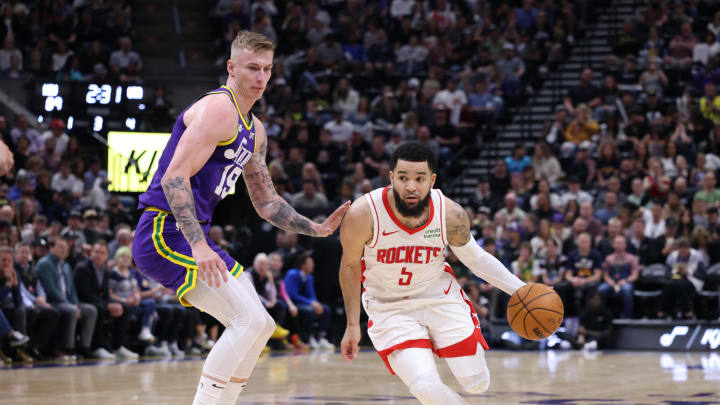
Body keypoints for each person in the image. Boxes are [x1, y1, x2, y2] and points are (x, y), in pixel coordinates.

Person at [131, 31, 349, 405]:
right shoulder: (219, 109)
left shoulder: (255, 130)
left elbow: (266, 203)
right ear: (232, 67)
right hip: (164, 231)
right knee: (247, 321)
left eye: (267, 69)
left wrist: (316, 228)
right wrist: (199, 245)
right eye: (252, 68)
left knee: (262, 324)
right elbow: (174, 177)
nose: (261, 77)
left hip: (192, 233)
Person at [339, 141, 525, 405]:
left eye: (419, 178)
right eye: (402, 178)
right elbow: (349, 266)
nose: (411, 186)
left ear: (432, 180)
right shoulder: (363, 214)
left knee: (477, 384)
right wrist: (351, 325)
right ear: (391, 177)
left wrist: (521, 290)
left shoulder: (450, 214)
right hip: (390, 308)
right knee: (426, 386)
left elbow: (476, 258)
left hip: (440, 298)